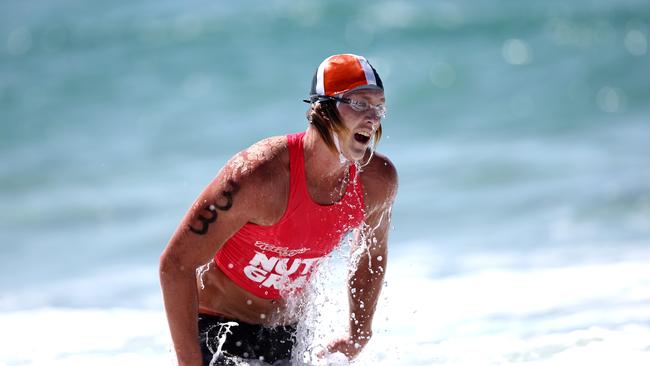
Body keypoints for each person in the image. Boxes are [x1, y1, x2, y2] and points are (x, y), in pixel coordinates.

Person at [159, 53, 398, 366]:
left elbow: (371, 251)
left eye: (378, 106)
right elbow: (176, 264)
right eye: (358, 103)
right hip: (219, 328)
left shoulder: (376, 182)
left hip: (289, 335)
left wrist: (358, 332)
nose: (373, 117)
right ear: (322, 109)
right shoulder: (259, 175)